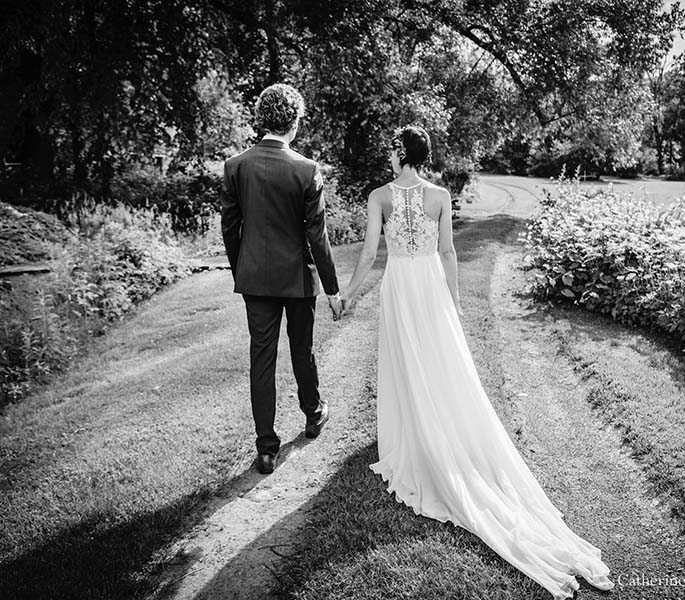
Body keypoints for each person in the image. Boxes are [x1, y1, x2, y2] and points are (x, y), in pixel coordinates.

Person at [338, 125, 615, 600]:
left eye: (390, 149)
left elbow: (369, 253)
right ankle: (432, 427)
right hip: (429, 284)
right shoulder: (440, 194)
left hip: (402, 285)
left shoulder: (379, 196)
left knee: (409, 359)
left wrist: (346, 295)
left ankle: (415, 436)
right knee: (439, 363)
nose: (388, 155)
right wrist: (453, 302)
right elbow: (446, 251)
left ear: (400, 153)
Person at [220, 83, 342, 476]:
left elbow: (230, 228)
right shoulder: (306, 169)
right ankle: (312, 414)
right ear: (294, 122)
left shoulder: (236, 166)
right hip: (297, 280)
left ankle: (266, 449)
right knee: (302, 348)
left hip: (254, 278)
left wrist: (243, 269)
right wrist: (332, 287)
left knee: (262, 358)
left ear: (261, 119)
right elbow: (316, 234)